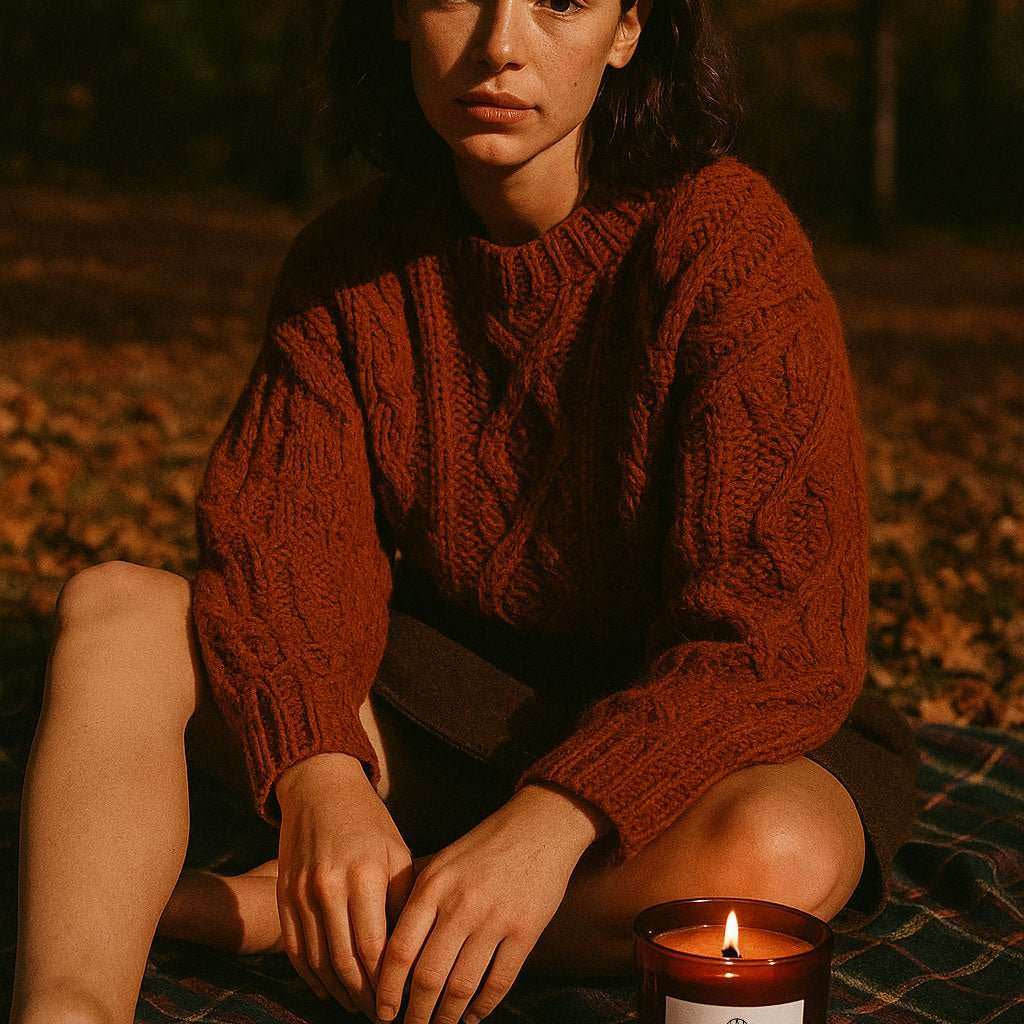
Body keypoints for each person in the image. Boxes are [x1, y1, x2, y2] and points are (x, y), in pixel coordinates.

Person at [8, 2, 920, 1024]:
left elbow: (773, 637)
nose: (498, 44)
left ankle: (304, 915)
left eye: (561, 1)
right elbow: (283, 551)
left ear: (628, 32)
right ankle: (68, 1001)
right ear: (397, 15)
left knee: (781, 851)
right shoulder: (349, 261)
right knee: (117, 612)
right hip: (449, 700)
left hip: (692, 730)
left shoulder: (725, 246)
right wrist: (320, 776)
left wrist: (554, 820)